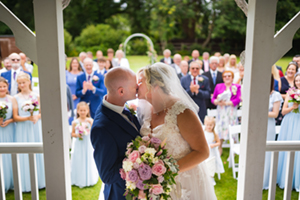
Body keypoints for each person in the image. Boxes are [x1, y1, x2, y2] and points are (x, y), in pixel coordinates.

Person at [137, 62, 217, 200]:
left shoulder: (181, 111)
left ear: (155, 86)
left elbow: (203, 151)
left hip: (184, 183)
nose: (136, 86)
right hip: (157, 186)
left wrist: (165, 172)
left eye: (140, 82)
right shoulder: (146, 109)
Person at [90, 67, 141, 200]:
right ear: (121, 91)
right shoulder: (102, 128)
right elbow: (108, 175)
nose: (138, 87)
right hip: (122, 194)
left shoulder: (118, 106)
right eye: (134, 85)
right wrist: (140, 157)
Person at [12, 72, 45, 192]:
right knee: (23, 153)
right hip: (22, 128)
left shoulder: (36, 96)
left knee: (38, 152)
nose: (22, 85)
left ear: (29, 82)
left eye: (23, 82)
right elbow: (15, 117)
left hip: (35, 127)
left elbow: (42, 112)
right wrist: (27, 118)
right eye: (19, 83)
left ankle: (40, 181)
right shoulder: (15, 98)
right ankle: (25, 183)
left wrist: (37, 116)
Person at [277, 72, 300, 191]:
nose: (298, 82)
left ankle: (297, 180)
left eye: (299, 80)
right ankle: (285, 178)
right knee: (287, 149)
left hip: (298, 124)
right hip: (289, 122)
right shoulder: (290, 93)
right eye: (296, 81)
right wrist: (293, 107)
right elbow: (283, 111)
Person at [211, 70, 241, 155]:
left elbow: (238, 99)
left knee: (232, 129)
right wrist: (217, 101)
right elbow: (213, 99)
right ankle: (219, 147)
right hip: (221, 112)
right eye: (225, 76)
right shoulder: (218, 86)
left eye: (229, 76)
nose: (227, 77)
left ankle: (233, 151)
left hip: (231, 112)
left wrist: (227, 103)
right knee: (220, 129)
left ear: (232, 78)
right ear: (223, 78)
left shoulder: (236, 86)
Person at [71, 102, 98, 188]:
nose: (82, 112)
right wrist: (77, 135)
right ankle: (78, 179)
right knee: (79, 159)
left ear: (87, 111)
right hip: (79, 144)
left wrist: (91, 123)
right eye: (81, 110)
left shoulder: (90, 120)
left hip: (88, 144)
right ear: (78, 111)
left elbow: (95, 131)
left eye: (84, 110)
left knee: (89, 159)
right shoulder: (75, 122)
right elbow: (72, 134)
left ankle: (89, 179)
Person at [262, 76, 283, 190]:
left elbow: (275, 114)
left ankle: (264, 181)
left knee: (267, 153)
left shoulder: (275, 95)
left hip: (269, 125)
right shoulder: (257, 94)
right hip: (257, 123)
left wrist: (259, 110)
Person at [0, 77, 14, 192]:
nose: (2, 88)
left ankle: (10, 181)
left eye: (4, 86)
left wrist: (8, 121)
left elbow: (15, 116)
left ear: (7, 87)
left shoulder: (11, 99)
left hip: (9, 130)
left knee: (9, 155)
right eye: (0, 87)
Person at [203, 116, 225, 185]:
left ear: (214, 125)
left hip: (212, 153)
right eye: (207, 125)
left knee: (211, 164)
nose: (209, 127)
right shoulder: (203, 132)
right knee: (205, 164)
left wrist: (213, 145)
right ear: (205, 124)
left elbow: (218, 142)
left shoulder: (214, 133)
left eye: (211, 125)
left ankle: (211, 177)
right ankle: (205, 177)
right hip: (205, 151)